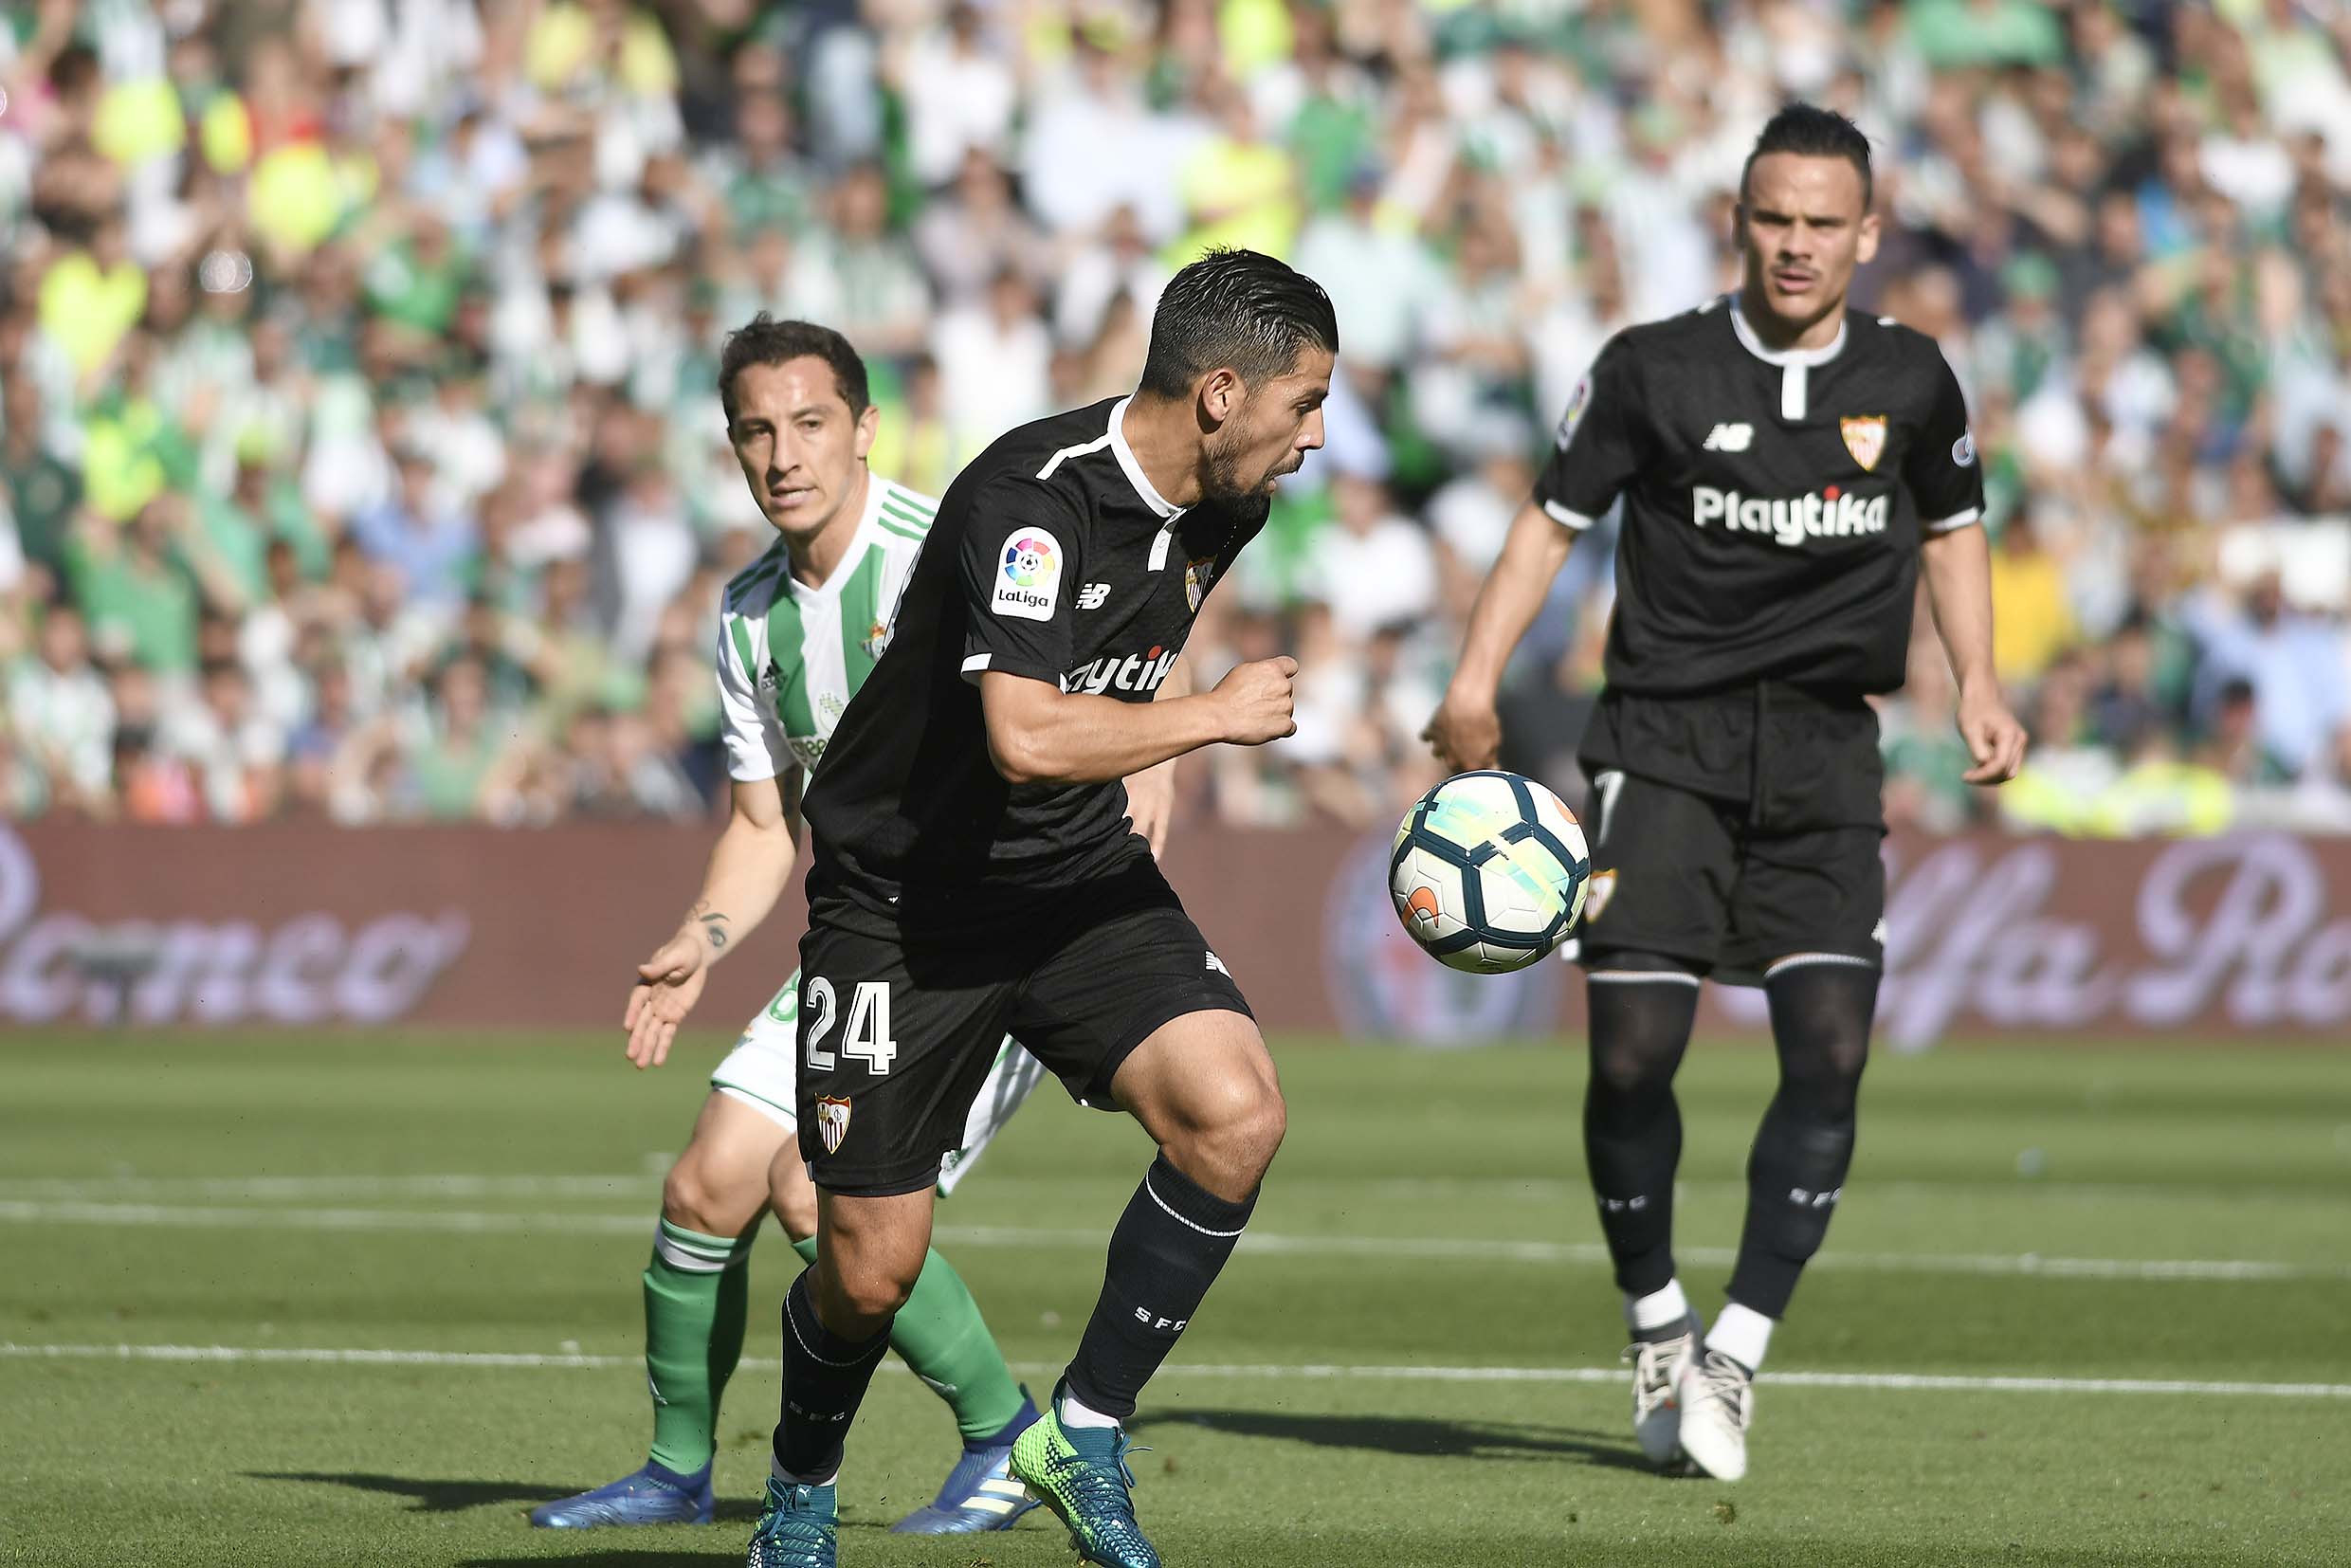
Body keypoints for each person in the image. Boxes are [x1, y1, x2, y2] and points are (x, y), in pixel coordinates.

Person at [1425, 104, 2027, 1485]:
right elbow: (1548, 521)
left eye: (1826, 222)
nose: (1799, 244)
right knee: (1632, 1054)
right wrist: (1475, 677)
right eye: (1776, 219)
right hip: (1664, 741)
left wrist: (1977, 682)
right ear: (1738, 222)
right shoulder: (1654, 369)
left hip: (1826, 750)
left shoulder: (1916, 380)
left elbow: (1956, 530)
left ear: (1868, 235)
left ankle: (1737, 1349)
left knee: (1828, 1047)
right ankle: (1655, 1322)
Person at [743, 248, 1332, 1568]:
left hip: (1072, 882)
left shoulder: (1228, 504)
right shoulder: (1030, 499)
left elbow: (1131, 649)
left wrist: (1157, 746)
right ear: (1224, 393)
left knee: (1235, 1114)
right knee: (871, 1270)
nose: (1316, 436)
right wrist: (1209, 721)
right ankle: (797, 1484)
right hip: (904, 908)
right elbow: (1017, 731)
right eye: (1305, 403)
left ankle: (1085, 1429)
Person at [531, 318, 1061, 1536]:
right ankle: (675, 1472)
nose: (784, 454)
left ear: (865, 430)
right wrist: (700, 937)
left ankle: (1007, 1439)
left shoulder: (952, 556)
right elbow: (766, 826)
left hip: (991, 953)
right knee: (705, 1181)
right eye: (757, 431)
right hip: (865, 939)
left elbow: (1085, 707)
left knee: (810, 1192)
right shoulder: (747, 616)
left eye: (810, 423)